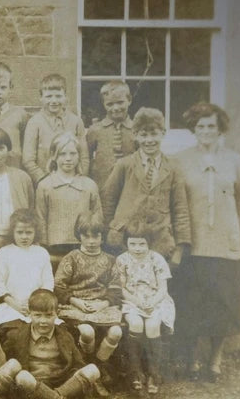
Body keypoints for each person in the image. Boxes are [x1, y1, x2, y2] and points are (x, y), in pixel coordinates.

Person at [175, 102, 240, 381]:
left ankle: (215, 362)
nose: (206, 131)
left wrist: (227, 230)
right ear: (194, 129)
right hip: (194, 245)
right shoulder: (181, 160)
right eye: (201, 126)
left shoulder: (234, 161)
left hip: (224, 245)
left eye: (211, 126)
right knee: (193, 302)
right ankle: (193, 362)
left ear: (220, 130)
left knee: (222, 304)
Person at [100, 107, 191, 263]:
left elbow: (180, 209)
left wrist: (180, 249)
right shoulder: (124, 165)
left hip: (159, 242)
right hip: (124, 241)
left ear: (163, 133)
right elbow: (108, 202)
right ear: (135, 135)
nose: (149, 140)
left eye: (154, 134)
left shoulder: (173, 169)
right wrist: (110, 236)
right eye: (143, 135)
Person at [0, 289, 103, 399]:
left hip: (61, 383)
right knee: (22, 376)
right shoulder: (17, 336)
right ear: (29, 314)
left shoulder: (64, 335)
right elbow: (6, 365)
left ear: (56, 314)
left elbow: (78, 363)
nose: (43, 321)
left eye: (48, 315)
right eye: (37, 315)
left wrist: (76, 382)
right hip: (31, 385)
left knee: (93, 370)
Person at [53, 211, 123, 396]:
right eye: (86, 236)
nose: (91, 241)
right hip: (77, 305)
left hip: (101, 305)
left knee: (116, 332)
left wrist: (103, 304)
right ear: (79, 236)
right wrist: (75, 301)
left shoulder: (110, 260)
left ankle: (97, 367)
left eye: (96, 235)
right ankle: (91, 372)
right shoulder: (71, 258)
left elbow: (116, 289)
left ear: (102, 236)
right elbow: (59, 286)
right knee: (87, 331)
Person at [115, 217, 176, 397]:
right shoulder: (122, 260)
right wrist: (136, 301)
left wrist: (153, 302)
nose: (138, 248)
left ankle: (153, 374)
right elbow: (122, 288)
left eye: (142, 244)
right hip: (132, 300)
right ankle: (135, 372)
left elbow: (163, 288)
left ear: (149, 243)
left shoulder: (157, 259)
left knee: (152, 325)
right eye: (133, 244)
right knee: (135, 324)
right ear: (126, 243)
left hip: (157, 300)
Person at [34, 131, 102, 265]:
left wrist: (92, 240)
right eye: (62, 154)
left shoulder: (89, 185)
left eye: (73, 154)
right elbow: (40, 218)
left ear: (79, 156)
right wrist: (43, 247)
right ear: (54, 156)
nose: (68, 158)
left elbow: (97, 215)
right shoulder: (45, 185)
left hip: (84, 245)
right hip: (54, 247)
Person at [0, 209, 54, 331]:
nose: (24, 237)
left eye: (29, 232)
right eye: (20, 232)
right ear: (12, 232)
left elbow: (48, 283)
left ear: (35, 232)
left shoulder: (41, 253)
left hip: (39, 307)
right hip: (10, 307)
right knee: (18, 333)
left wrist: (37, 304)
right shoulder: (3, 254)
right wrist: (17, 306)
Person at [21, 73, 89, 187]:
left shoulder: (76, 121)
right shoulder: (35, 122)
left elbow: (84, 157)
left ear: (66, 97)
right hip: (45, 184)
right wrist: (44, 181)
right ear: (41, 98)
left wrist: (79, 180)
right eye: (48, 96)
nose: (53, 100)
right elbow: (28, 160)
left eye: (58, 96)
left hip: (73, 183)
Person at [86, 80, 136, 190]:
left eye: (120, 102)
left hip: (129, 189)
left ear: (129, 100)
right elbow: (86, 159)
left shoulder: (137, 130)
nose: (116, 108)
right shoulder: (95, 130)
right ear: (104, 104)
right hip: (102, 188)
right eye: (110, 104)